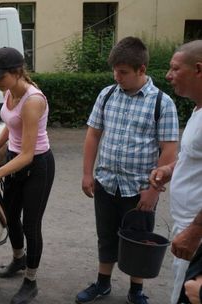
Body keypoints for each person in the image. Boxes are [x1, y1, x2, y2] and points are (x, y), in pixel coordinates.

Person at [76, 37, 179, 304]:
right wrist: (88, 173)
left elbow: (169, 149)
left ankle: (136, 290)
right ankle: (102, 283)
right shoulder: (107, 94)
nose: (117, 77)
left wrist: (153, 191)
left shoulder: (162, 103)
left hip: (139, 188)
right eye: (115, 71)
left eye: (123, 72)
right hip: (106, 182)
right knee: (106, 235)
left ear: (141, 69)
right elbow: (93, 135)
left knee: (139, 239)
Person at [0, 47, 55, 304]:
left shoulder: (33, 101)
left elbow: (28, 154)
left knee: (31, 224)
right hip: (13, 160)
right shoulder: (10, 91)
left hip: (36, 166)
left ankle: (30, 280)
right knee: (9, 215)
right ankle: (19, 259)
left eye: (0, 77)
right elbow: (10, 123)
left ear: (17, 72)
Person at [148, 39, 202, 304]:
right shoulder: (197, 109)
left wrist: (195, 230)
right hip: (188, 224)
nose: (168, 76)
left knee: (189, 296)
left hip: (197, 228)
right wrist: (171, 168)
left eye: (174, 69)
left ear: (199, 69)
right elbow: (193, 156)